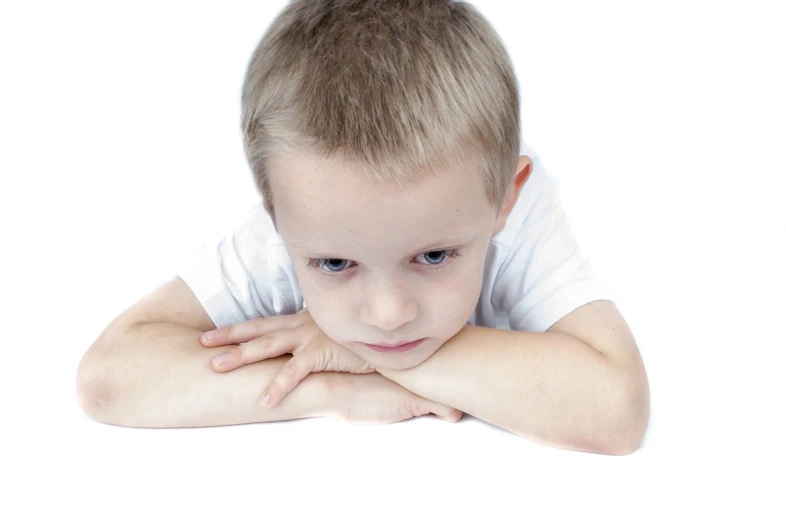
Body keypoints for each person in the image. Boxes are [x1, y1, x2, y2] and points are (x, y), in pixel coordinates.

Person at [77, 0, 649, 455]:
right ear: (276, 217)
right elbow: (111, 377)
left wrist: (354, 348)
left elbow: (617, 410)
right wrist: (339, 387)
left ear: (506, 197)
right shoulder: (303, 215)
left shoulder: (516, 214)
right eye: (334, 265)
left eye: (434, 257)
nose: (388, 313)